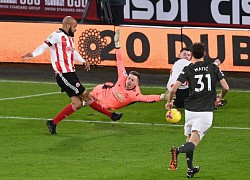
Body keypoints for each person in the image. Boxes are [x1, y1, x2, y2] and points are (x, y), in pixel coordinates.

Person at [21, 16, 122, 134]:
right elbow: (44, 46)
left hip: (71, 74)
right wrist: (33, 54)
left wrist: (83, 61)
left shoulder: (69, 38)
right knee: (86, 96)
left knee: (77, 104)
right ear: (68, 26)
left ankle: (53, 123)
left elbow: (72, 52)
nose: (76, 29)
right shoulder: (56, 35)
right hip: (64, 75)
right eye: (74, 27)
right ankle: (111, 115)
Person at [165, 42, 229, 178]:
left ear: (192, 55)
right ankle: (177, 150)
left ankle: (190, 169)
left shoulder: (188, 68)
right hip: (205, 111)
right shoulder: (213, 67)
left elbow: (174, 88)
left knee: (190, 139)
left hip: (190, 110)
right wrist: (220, 97)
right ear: (204, 54)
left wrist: (170, 102)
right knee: (192, 143)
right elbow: (226, 87)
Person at [88, 29, 167, 110]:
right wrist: (117, 44)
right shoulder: (123, 76)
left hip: (107, 105)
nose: (129, 81)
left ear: (137, 83)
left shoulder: (135, 94)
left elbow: (147, 98)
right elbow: (120, 61)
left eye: (132, 80)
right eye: (129, 78)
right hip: (104, 91)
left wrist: (162, 97)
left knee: (96, 106)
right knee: (86, 98)